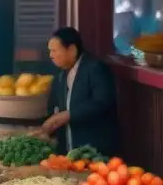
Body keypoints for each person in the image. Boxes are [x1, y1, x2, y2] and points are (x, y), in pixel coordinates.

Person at [43, 26, 118, 155]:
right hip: (69, 154)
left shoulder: (95, 69)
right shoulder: (61, 75)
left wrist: (69, 114)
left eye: (55, 51)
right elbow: (54, 106)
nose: (51, 55)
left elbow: (102, 102)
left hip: (95, 152)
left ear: (71, 50)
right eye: (50, 51)